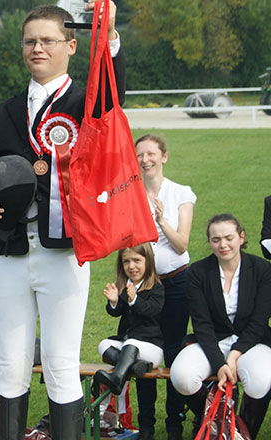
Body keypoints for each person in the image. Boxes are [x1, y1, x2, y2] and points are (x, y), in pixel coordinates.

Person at [0, 0, 125, 440]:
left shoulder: (88, 101)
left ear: (71, 45)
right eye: (30, 41)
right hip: (10, 251)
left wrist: (108, 37)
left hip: (64, 252)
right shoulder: (6, 112)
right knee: (10, 364)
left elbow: (114, 95)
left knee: (60, 364)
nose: (37, 49)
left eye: (49, 40)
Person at [170, 214, 271, 439]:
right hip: (212, 340)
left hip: (252, 341)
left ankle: (242, 433)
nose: (223, 245)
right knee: (182, 375)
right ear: (209, 242)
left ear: (241, 237)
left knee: (262, 378)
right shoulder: (197, 272)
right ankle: (223, 428)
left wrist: (233, 357)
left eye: (228, 237)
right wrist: (219, 364)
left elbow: (258, 322)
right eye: (216, 239)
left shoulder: (263, 270)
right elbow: (202, 324)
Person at [134, 134, 196, 440]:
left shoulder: (181, 193)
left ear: (164, 157)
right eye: (140, 155)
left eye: (151, 154)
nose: (145, 160)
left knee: (172, 351)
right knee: (145, 351)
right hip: (145, 284)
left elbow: (182, 244)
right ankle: (145, 424)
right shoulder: (131, 195)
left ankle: (174, 422)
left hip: (177, 282)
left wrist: (160, 221)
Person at [94, 243, 164, 440]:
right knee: (104, 345)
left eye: (137, 260)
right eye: (126, 261)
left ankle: (117, 377)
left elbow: (152, 311)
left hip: (150, 346)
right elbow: (116, 313)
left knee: (132, 343)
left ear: (148, 262)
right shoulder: (127, 286)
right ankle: (134, 365)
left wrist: (134, 300)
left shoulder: (156, 287)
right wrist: (115, 301)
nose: (131, 266)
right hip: (130, 348)